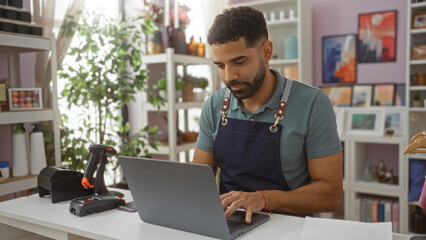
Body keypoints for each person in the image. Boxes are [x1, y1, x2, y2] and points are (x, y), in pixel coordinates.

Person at [193, 6, 343, 224]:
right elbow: (197, 180)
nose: (229, 76)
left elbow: (331, 196)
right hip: (227, 225)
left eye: (239, 62)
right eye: (220, 66)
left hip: (288, 229)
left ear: (266, 51)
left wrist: (262, 199)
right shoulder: (214, 104)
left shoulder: (312, 103)